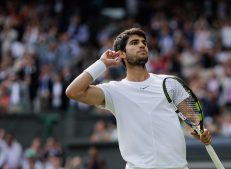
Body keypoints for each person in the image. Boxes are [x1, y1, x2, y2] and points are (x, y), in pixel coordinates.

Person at [66, 28, 212, 169]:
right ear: (121, 54)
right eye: (134, 43)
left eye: (144, 42)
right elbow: (73, 92)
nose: (142, 45)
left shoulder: (170, 83)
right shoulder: (113, 90)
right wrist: (102, 64)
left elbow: (191, 119)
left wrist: (200, 132)